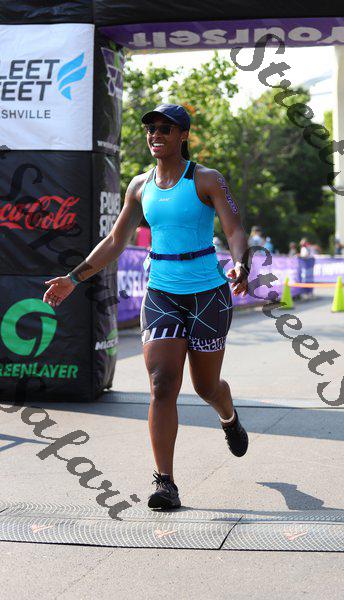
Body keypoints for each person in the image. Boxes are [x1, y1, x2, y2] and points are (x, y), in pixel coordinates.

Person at [42, 103, 250, 511]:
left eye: (165, 129)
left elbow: (234, 227)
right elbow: (115, 241)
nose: (156, 134)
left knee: (206, 387)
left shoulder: (206, 179)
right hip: (162, 294)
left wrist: (240, 262)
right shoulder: (139, 186)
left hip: (208, 294)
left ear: (183, 135)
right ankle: (165, 482)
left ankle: (228, 416)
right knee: (162, 384)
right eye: (151, 128)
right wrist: (73, 278)